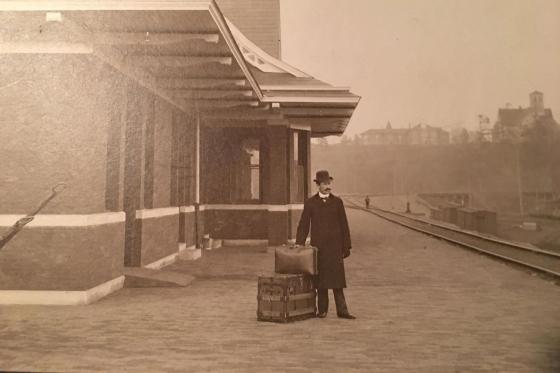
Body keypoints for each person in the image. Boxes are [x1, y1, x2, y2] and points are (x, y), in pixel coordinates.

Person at [295, 170, 355, 319]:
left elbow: (344, 224)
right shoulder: (310, 203)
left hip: (335, 248)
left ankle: (343, 310)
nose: (328, 186)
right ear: (318, 185)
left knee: (337, 280)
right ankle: (322, 311)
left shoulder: (337, 202)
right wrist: (299, 243)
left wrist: (346, 246)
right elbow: (304, 224)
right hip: (319, 248)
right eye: (324, 184)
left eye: (329, 183)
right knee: (321, 281)